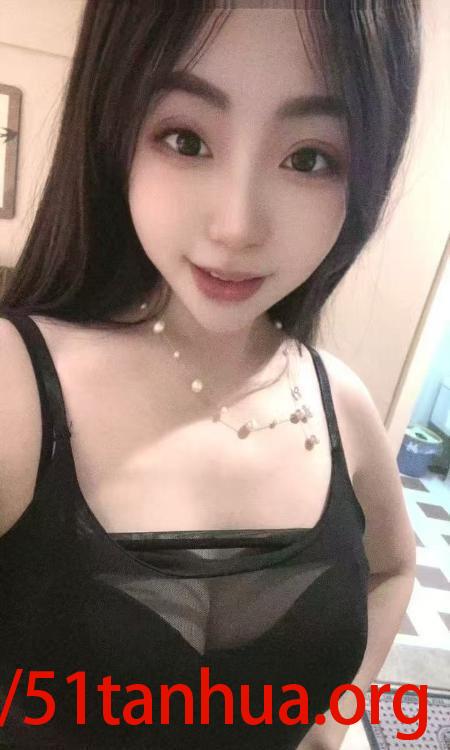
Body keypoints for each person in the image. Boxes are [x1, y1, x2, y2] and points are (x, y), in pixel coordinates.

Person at [0, 2, 422, 748]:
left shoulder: (342, 402)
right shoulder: (16, 387)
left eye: (310, 158)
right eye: (186, 139)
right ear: (115, 131)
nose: (237, 226)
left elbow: (393, 568)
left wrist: (332, 725)